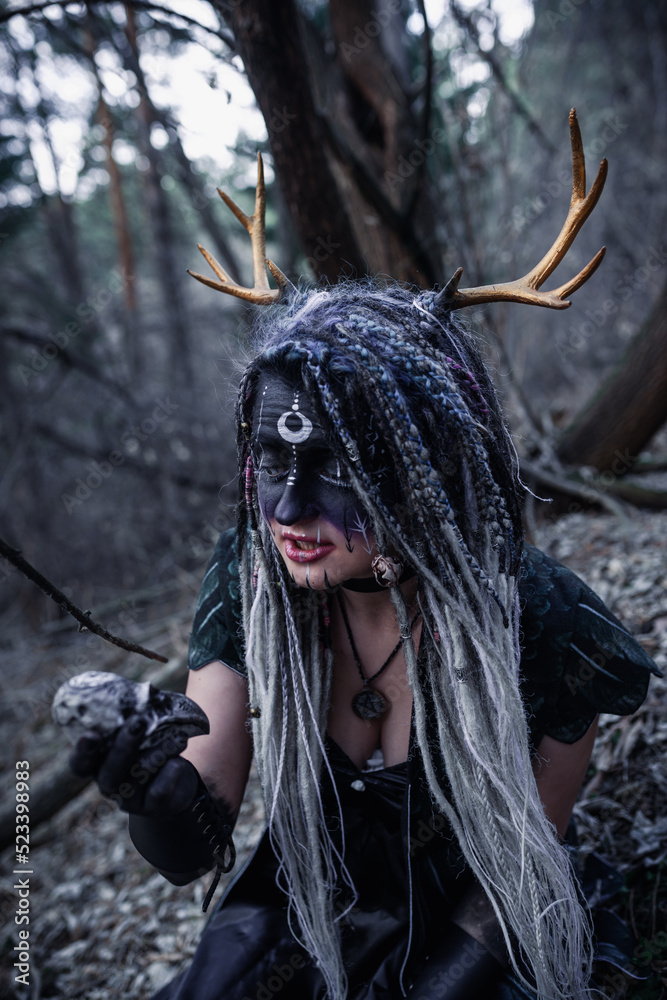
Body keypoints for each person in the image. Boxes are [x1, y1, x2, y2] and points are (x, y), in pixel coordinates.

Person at [70, 130, 659, 1000]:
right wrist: (149, 787)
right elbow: (198, 839)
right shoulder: (253, 581)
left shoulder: (535, 614)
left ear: (430, 471)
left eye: (340, 471)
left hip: (479, 913)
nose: (290, 510)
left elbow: (531, 854)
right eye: (272, 464)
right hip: (298, 898)